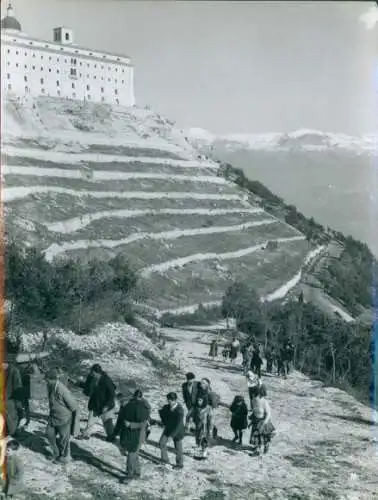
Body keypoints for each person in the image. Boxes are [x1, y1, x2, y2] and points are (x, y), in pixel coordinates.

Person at [112, 389, 150, 482]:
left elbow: (143, 423)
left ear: (126, 400)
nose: (120, 404)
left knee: (131, 454)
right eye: (119, 402)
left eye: (121, 402)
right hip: (129, 434)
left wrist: (131, 424)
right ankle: (137, 472)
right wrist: (114, 433)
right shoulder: (124, 408)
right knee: (134, 453)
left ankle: (130, 475)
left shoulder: (139, 407)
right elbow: (120, 421)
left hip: (139, 434)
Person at [46, 368, 77, 464]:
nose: (46, 382)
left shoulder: (62, 390)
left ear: (52, 379)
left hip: (63, 418)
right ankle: (56, 452)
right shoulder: (50, 386)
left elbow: (73, 405)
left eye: (47, 379)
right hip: (53, 417)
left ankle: (64, 457)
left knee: (64, 439)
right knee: (49, 434)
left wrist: (70, 418)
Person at [79, 364, 116, 441]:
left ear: (98, 372)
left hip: (107, 406)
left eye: (92, 373)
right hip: (96, 404)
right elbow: (87, 387)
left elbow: (112, 395)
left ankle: (111, 436)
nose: (91, 374)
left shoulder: (106, 380)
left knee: (108, 424)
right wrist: (79, 384)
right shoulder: (92, 378)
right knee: (90, 420)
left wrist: (106, 406)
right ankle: (86, 434)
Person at [158, 392, 185, 469]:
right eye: (169, 401)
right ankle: (165, 460)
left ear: (175, 400)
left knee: (178, 448)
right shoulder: (166, 407)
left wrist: (171, 436)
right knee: (162, 443)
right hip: (168, 429)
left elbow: (178, 425)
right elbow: (163, 418)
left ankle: (179, 464)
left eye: (171, 401)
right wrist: (161, 411)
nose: (170, 403)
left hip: (178, 431)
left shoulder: (180, 410)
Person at [248, 385, 275, 455]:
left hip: (263, 421)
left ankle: (266, 445)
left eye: (254, 395)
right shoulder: (253, 400)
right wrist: (251, 419)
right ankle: (257, 449)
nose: (253, 396)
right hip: (255, 420)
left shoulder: (264, 402)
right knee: (256, 437)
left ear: (258, 394)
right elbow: (254, 410)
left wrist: (264, 423)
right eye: (252, 395)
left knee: (263, 437)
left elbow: (268, 413)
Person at [3, 362, 23, 437]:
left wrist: (18, 404)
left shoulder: (14, 371)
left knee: (12, 422)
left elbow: (18, 389)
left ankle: (13, 431)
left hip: (10, 400)